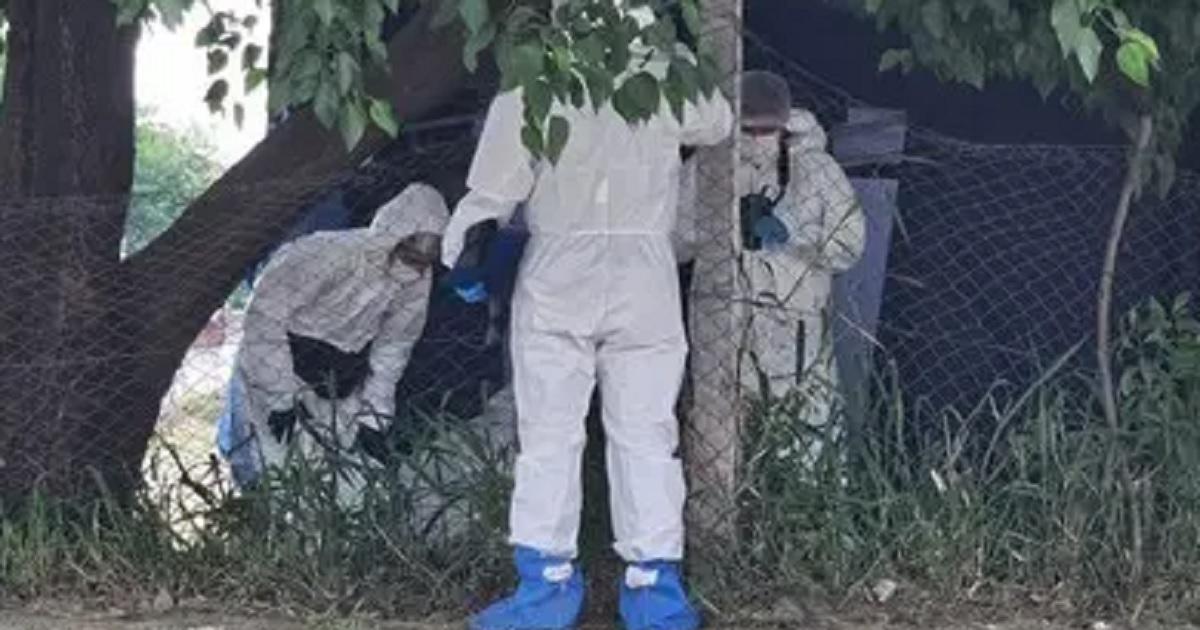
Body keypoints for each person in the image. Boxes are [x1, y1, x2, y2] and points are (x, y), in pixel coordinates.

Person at [439, 2, 733, 628]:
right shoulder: (662, 71)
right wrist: (665, 52)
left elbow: (494, 189)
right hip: (642, 272)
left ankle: (545, 592)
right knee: (646, 434)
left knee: (548, 435)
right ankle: (654, 591)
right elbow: (715, 119)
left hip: (558, 272)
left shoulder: (535, 79)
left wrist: (464, 250)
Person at [217, 183, 449, 502]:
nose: (415, 268)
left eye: (425, 262)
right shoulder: (325, 253)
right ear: (394, 235)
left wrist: (374, 416)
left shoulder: (416, 279)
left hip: (341, 378)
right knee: (273, 470)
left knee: (339, 485)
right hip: (281, 363)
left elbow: (395, 344)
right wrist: (280, 396)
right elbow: (265, 318)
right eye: (411, 255)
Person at [735, 71, 866, 464]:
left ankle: (808, 520)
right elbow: (676, 237)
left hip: (800, 333)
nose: (757, 139)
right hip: (732, 334)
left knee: (809, 448)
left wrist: (794, 237)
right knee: (732, 453)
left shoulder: (819, 171)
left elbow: (849, 246)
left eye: (766, 130)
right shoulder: (717, 169)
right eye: (747, 129)